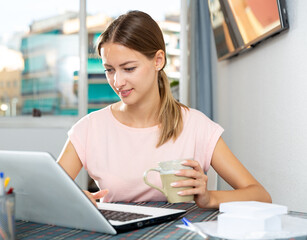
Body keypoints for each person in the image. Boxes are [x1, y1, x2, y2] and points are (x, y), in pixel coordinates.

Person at [57, 10, 272, 209]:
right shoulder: (89, 128)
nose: (117, 81)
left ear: (158, 60)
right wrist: (74, 200)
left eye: (129, 68)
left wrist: (210, 197)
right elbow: (46, 194)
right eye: (109, 70)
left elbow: (260, 195)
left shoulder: (196, 126)